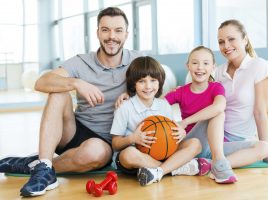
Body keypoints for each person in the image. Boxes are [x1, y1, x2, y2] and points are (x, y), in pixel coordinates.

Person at [0, 7, 143, 197]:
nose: (111, 36)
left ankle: (37, 165)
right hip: (75, 132)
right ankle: (44, 167)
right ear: (97, 32)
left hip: (110, 142)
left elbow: (155, 91)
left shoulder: (138, 61)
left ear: (126, 34)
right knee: (58, 92)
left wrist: (132, 95)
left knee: (96, 153)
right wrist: (76, 82)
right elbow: (41, 82)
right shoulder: (81, 62)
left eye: (118, 30)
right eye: (105, 29)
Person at [110, 56, 201, 186]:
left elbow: (172, 134)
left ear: (160, 82)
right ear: (133, 84)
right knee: (128, 155)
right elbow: (115, 144)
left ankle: (159, 171)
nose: (148, 86)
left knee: (195, 143)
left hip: (163, 153)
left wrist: (181, 133)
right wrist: (133, 139)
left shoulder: (164, 105)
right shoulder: (125, 107)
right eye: (142, 81)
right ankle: (176, 168)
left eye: (153, 80)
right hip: (137, 157)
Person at [214, 19, 268, 165]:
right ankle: (211, 161)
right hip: (215, 134)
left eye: (231, 39)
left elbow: (260, 111)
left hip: (239, 140)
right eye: (221, 42)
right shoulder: (219, 71)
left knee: (262, 148)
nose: (226, 46)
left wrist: (265, 151)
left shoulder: (259, 66)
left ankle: (212, 165)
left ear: (245, 40)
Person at [165, 46, 237, 184]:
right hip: (191, 143)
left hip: (214, 147)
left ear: (213, 67)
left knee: (262, 148)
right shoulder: (180, 92)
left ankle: (209, 163)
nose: (200, 67)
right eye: (195, 63)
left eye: (205, 63)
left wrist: (185, 121)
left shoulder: (217, 87)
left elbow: (219, 105)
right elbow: (157, 106)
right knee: (217, 114)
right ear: (188, 66)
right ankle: (219, 165)